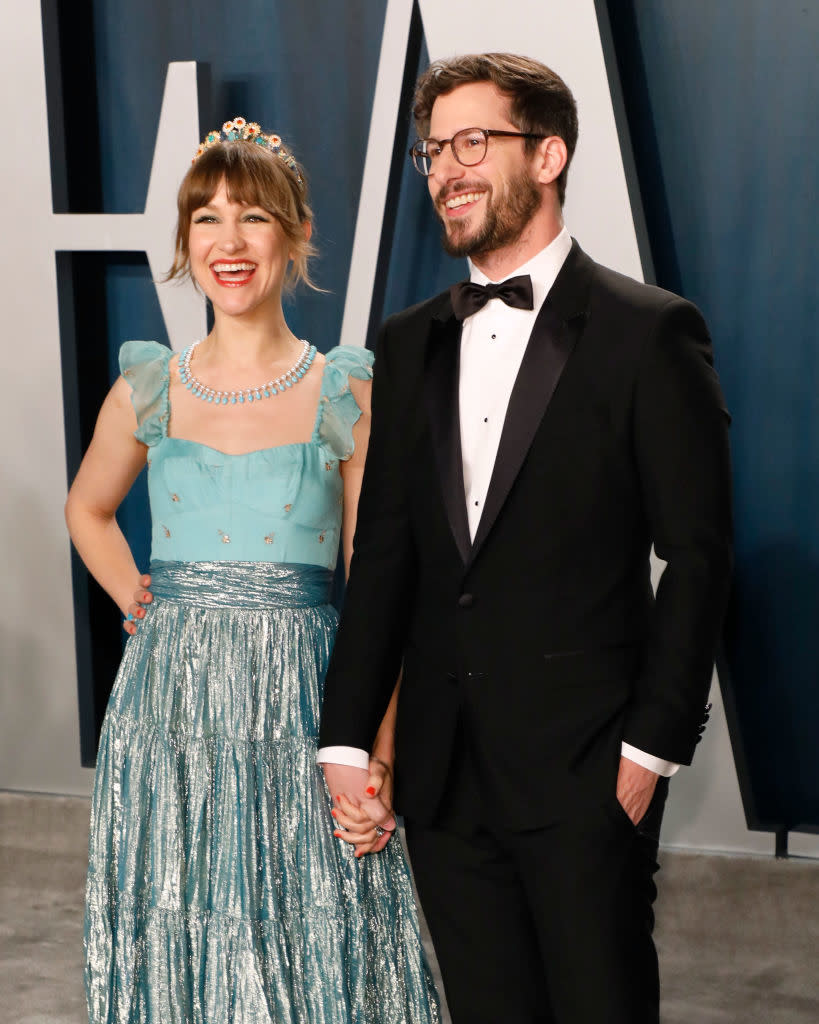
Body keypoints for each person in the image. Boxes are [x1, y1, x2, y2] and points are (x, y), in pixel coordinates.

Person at [318, 53, 733, 1024]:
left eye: (474, 142)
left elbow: (700, 555)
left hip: (589, 772)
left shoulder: (649, 331)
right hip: (445, 777)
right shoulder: (409, 338)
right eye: (433, 152)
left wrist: (649, 752)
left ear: (549, 154)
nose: (447, 170)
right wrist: (345, 735)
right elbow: (385, 553)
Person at [65, 117, 439, 1024]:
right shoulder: (151, 383)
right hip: (170, 707)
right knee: (180, 915)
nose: (227, 242)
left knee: (323, 930)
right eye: (206, 220)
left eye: (253, 218)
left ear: (297, 236)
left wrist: (378, 753)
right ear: (185, 245)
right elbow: (88, 509)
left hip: (306, 695)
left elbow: (380, 586)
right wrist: (136, 597)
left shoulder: (347, 389)